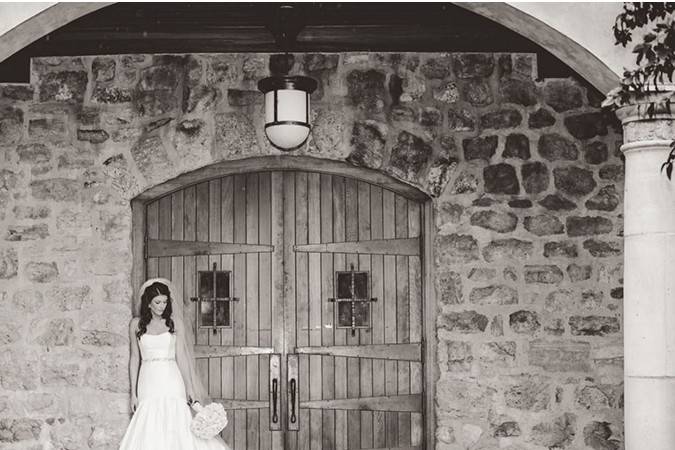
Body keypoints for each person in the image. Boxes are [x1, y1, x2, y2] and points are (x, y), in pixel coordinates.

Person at [119, 278, 231, 450]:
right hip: (148, 379)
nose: (161, 306)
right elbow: (134, 358)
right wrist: (133, 394)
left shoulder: (174, 323)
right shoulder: (136, 324)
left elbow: (182, 357)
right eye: (157, 302)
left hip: (172, 377)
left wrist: (189, 387)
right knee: (150, 422)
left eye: (164, 302)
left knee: (177, 421)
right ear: (148, 303)